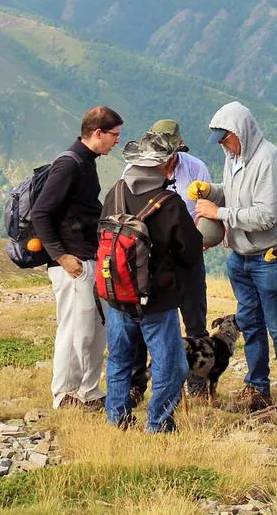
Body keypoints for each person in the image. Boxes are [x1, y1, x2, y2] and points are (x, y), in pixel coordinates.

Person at [190, 101, 277, 413]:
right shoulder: (234, 158)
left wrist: (219, 212)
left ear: (240, 132)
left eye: (225, 137)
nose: (222, 144)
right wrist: (212, 191)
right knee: (251, 323)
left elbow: (266, 216)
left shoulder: (267, 160)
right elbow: (234, 193)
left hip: (267, 256)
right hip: (240, 256)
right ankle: (257, 387)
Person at [103, 130, 204, 432]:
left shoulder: (115, 193)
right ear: (162, 164)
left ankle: (117, 418)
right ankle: (158, 423)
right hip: (156, 300)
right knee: (168, 365)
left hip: (117, 295)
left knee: (120, 358)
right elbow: (190, 251)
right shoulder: (169, 204)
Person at [29, 105, 123, 409]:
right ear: (97, 133)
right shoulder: (69, 165)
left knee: (96, 328)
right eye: (114, 135)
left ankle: (89, 391)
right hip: (72, 264)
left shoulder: (87, 161)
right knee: (74, 330)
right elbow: (41, 212)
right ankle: (65, 395)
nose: (117, 142)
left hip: (88, 257)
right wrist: (61, 256)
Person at [125, 119, 215, 403]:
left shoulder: (196, 168)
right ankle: (137, 384)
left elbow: (204, 210)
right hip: (150, 261)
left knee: (195, 320)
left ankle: (197, 385)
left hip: (188, 257)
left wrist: (202, 237)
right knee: (144, 322)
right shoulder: (132, 172)